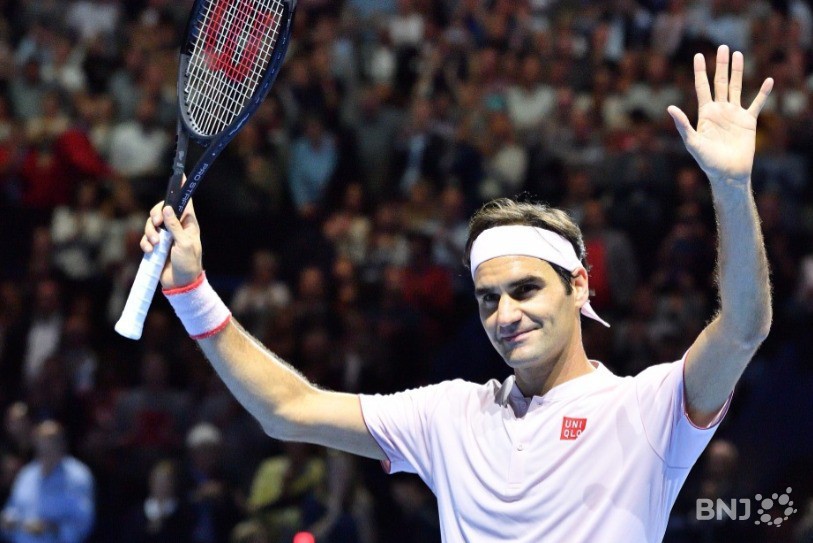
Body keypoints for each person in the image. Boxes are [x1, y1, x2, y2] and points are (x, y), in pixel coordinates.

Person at [139, 45, 773, 542]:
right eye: (488, 298)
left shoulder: (649, 407)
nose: (506, 314)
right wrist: (192, 290)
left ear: (579, 284)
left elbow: (743, 327)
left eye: (525, 289)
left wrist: (730, 186)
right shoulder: (448, 416)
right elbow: (288, 409)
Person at [0, 420, 95, 543]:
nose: (45, 449)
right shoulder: (27, 474)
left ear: (62, 445)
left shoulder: (78, 476)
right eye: (42, 444)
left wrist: (51, 528)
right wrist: (7, 521)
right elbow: (12, 509)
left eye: (51, 444)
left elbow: (83, 524)